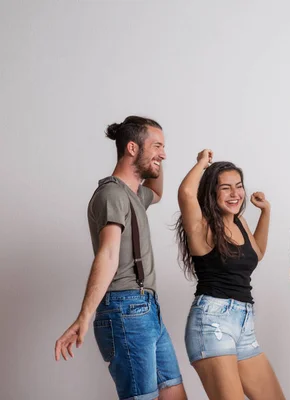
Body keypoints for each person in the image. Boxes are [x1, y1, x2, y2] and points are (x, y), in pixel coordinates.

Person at [54, 116, 187, 400]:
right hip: (126, 309)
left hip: (147, 309)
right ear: (131, 148)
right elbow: (109, 253)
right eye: (156, 146)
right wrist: (84, 316)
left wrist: (158, 159)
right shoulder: (112, 193)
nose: (163, 154)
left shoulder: (135, 194)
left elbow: (159, 192)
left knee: (174, 394)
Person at [176, 149, 285, 400]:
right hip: (212, 322)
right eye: (225, 188)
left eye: (238, 186)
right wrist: (202, 163)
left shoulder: (239, 222)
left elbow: (256, 254)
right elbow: (185, 193)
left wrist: (265, 212)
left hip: (244, 325)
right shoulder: (201, 225)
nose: (235, 194)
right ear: (212, 192)